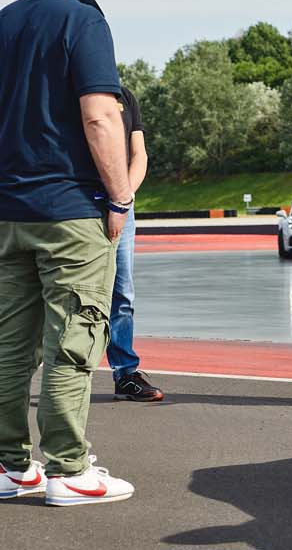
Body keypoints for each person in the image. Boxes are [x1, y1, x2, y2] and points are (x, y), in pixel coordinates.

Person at [0, 0, 135, 506]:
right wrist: (119, 197)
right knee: (74, 335)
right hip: (69, 207)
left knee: (10, 341)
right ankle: (68, 469)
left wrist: (1, 182)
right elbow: (99, 115)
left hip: (8, 207)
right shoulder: (85, 20)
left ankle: (9, 465)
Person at [108, 86, 163, 402]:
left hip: (123, 206)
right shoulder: (68, 92)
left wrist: (123, 198)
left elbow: (139, 153)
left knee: (122, 292)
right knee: (71, 293)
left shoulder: (125, 97)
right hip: (79, 205)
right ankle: (60, 377)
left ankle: (125, 374)